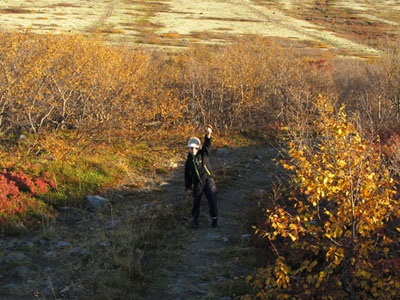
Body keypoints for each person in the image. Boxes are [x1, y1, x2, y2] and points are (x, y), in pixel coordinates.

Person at [184, 125, 218, 229]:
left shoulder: (203, 154)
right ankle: (195, 220)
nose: (193, 150)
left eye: (195, 148)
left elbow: (207, 144)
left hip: (208, 181)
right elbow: (187, 175)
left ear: (198, 148)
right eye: (191, 148)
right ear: (188, 148)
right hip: (197, 183)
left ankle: (214, 219)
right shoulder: (189, 161)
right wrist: (188, 187)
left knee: (212, 199)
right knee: (196, 201)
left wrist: (208, 134)